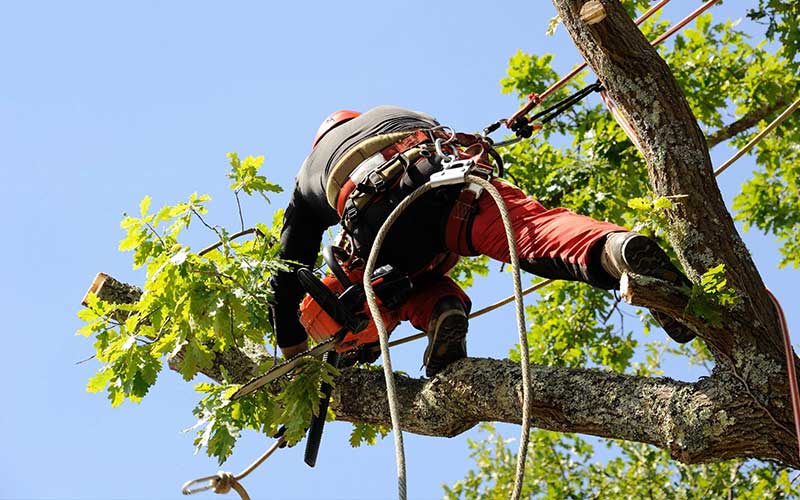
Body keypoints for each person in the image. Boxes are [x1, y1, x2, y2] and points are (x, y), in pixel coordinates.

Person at [271, 106, 695, 377]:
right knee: (531, 232)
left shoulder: (309, 172)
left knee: (367, 285)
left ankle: (437, 311)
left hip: (377, 218)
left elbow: (285, 273)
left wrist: (293, 354)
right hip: (447, 180)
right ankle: (616, 250)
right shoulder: (394, 113)